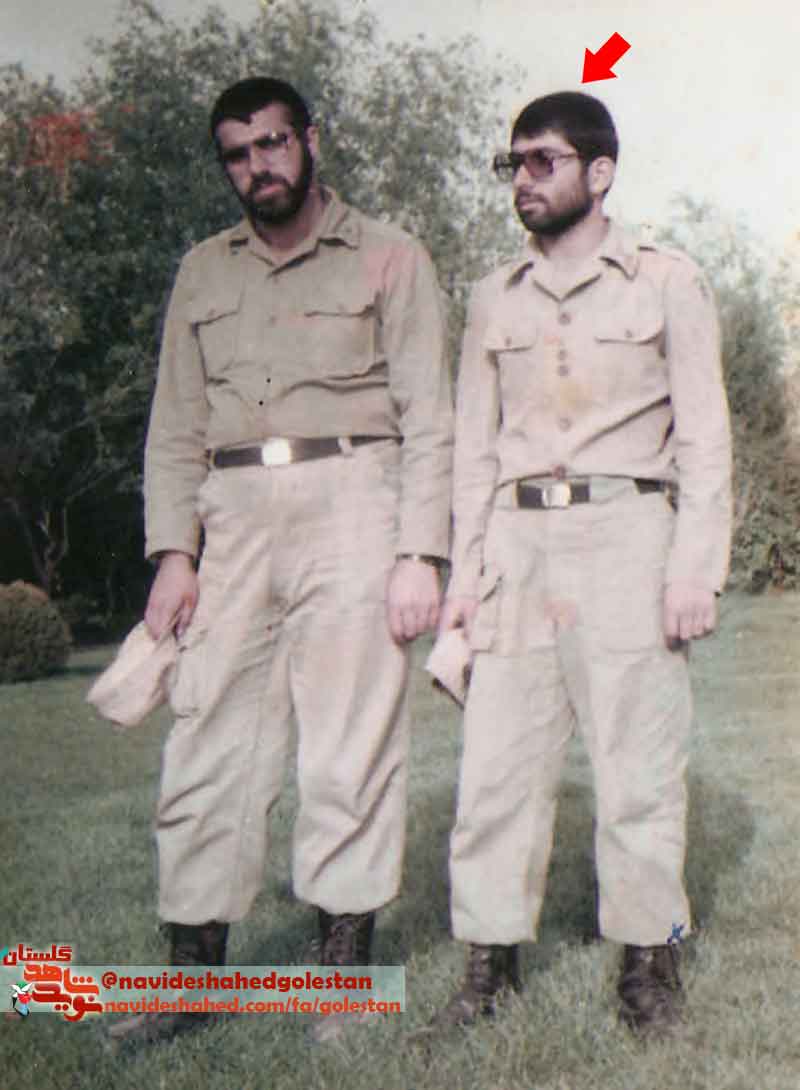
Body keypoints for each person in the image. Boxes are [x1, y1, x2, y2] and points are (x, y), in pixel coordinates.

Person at [110, 76, 452, 1042]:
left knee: (349, 743)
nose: (258, 166)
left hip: (355, 500)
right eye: (237, 153)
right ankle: (191, 982)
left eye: (273, 143)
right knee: (205, 739)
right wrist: (174, 553)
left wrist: (419, 551)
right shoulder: (201, 271)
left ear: (310, 139)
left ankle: (338, 987)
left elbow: (431, 416)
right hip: (233, 516)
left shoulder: (390, 255)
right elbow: (174, 426)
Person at [433, 91, 731, 1038]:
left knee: (639, 769)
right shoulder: (493, 296)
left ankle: (648, 967)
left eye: (544, 161)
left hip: (626, 536)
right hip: (516, 546)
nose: (523, 179)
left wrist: (694, 569)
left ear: (600, 173)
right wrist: (462, 587)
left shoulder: (666, 281)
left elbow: (706, 440)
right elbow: (473, 453)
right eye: (513, 162)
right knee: (495, 771)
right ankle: (488, 970)